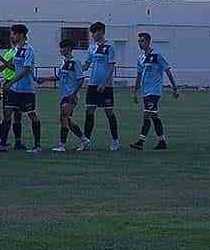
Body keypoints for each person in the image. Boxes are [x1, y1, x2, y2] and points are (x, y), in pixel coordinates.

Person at [130, 32, 179, 150]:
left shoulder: (157, 56)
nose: (140, 43)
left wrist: (174, 88)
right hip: (145, 91)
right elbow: (139, 75)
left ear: (148, 41)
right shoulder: (141, 58)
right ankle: (162, 141)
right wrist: (135, 91)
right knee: (154, 116)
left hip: (154, 91)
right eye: (139, 41)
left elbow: (167, 70)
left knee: (146, 115)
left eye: (142, 41)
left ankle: (140, 142)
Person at [0, 24, 43, 154]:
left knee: (32, 115)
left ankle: (37, 145)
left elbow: (26, 70)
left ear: (21, 35)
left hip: (26, 90)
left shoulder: (28, 50)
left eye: (13, 34)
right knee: (7, 114)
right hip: (14, 89)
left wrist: (11, 81)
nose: (12, 36)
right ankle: (3, 143)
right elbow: (15, 68)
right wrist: (5, 63)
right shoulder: (17, 50)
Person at [39, 39, 88, 152]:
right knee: (67, 119)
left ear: (69, 49)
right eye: (60, 48)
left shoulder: (75, 62)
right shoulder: (64, 63)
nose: (61, 50)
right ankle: (84, 139)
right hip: (63, 95)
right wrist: (44, 79)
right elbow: (58, 77)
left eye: (63, 48)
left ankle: (62, 145)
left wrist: (73, 94)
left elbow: (81, 80)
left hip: (70, 95)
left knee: (64, 117)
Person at [82, 21, 121, 150]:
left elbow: (111, 67)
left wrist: (104, 83)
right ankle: (86, 141)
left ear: (102, 32)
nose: (93, 34)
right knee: (89, 111)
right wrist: (76, 68)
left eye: (95, 32)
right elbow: (87, 65)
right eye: (92, 32)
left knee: (109, 111)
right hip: (92, 84)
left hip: (106, 86)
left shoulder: (110, 47)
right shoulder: (91, 48)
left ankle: (115, 141)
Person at [0, 44, 21, 151]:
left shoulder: (19, 52)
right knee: (7, 114)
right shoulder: (9, 52)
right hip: (8, 84)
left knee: (18, 114)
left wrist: (2, 60)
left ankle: (18, 142)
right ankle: (3, 141)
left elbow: (16, 68)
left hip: (17, 83)